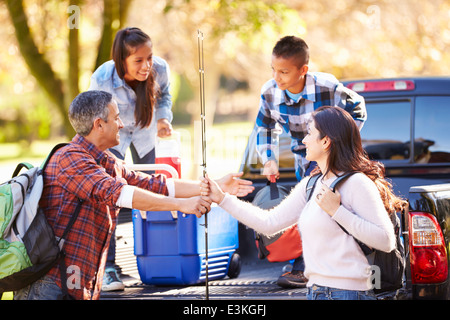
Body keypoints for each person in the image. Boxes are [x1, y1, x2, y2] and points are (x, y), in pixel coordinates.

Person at [14, 90, 253, 300]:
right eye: (116, 117)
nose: (121, 124)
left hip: (76, 283)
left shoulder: (104, 160)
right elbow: (122, 194)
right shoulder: (71, 159)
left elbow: (154, 185)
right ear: (99, 124)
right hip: (50, 284)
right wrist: (182, 205)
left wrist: (216, 186)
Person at [202, 106, 407, 300]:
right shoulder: (311, 184)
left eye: (309, 133)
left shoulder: (356, 183)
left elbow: (385, 240)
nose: (304, 140)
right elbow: (269, 222)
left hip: (349, 293)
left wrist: (337, 211)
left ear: (326, 141)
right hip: (315, 291)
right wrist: (223, 198)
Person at [255, 36, 367, 288]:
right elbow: (264, 127)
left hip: (332, 158)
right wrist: (269, 159)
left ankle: (304, 268)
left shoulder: (327, 86)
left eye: (284, 71)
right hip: (303, 157)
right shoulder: (269, 92)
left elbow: (358, 107)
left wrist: (339, 143)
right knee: (308, 207)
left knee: (318, 207)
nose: (277, 77)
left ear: (303, 70)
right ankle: (313, 264)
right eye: (273, 69)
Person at [88, 27, 174, 290]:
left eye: (149, 57)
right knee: (111, 197)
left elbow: (166, 96)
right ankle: (109, 267)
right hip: (115, 136)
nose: (147, 65)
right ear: (121, 60)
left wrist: (162, 119)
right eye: (138, 60)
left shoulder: (159, 68)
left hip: (145, 133)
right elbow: (93, 116)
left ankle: (160, 259)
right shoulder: (103, 77)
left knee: (153, 190)